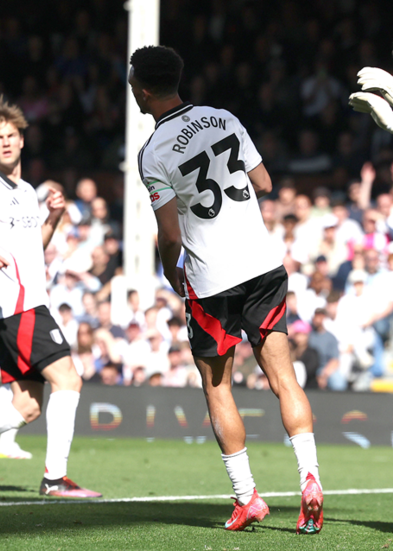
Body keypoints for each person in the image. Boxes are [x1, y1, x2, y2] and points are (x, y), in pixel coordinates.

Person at [130, 45, 322, 534]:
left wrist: (170, 270)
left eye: (131, 83)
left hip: (212, 281)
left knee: (218, 388)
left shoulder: (153, 151)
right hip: (262, 265)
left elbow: (169, 234)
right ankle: (310, 478)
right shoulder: (223, 118)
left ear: (143, 90)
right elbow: (264, 181)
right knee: (284, 379)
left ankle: (247, 496)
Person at [0, 97, 101, 498]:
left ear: (21, 140)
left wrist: (53, 218)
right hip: (16, 305)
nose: (5, 142)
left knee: (27, 406)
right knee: (68, 380)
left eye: (11, 135)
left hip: (24, 304)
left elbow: (35, 246)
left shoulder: (28, 190)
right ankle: (55, 479)